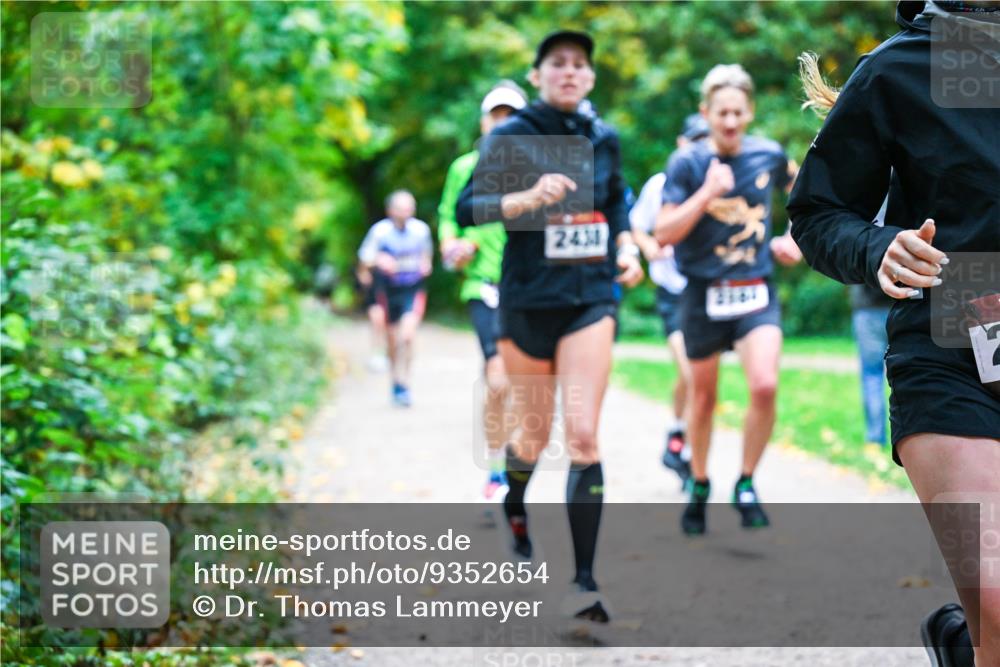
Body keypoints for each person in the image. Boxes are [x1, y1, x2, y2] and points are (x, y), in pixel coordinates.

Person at [788, 3, 999, 662]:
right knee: (995, 588)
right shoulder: (897, 71)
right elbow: (819, 211)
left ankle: (964, 644)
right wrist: (878, 246)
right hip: (949, 355)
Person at [456, 30, 644, 623]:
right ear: (538, 74)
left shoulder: (602, 136)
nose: (569, 72)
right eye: (557, 63)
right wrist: (526, 196)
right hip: (528, 301)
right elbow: (470, 208)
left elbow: (617, 204)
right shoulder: (511, 136)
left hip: (590, 297)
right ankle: (516, 505)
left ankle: (585, 582)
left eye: (580, 64)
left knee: (584, 436)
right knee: (533, 438)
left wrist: (627, 246)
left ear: (590, 77)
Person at [654, 64, 802, 536]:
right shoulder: (687, 164)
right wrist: (707, 193)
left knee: (764, 385)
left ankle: (745, 482)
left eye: (739, 112)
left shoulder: (770, 155)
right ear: (707, 113)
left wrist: (794, 238)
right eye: (722, 113)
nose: (732, 122)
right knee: (703, 400)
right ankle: (699, 483)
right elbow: (663, 233)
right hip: (703, 295)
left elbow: (810, 199)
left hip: (756, 291)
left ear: (750, 112)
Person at [437, 80, 529, 505]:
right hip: (483, 285)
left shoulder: (538, 168)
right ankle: (497, 471)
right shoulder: (465, 167)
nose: (503, 123)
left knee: (516, 382)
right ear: (484, 121)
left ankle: (511, 456)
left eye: (512, 115)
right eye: (497, 115)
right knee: (497, 380)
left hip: (527, 287)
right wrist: (453, 247)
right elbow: (447, 221)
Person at [630, 113, 710, 486]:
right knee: (692, 373)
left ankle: (676, 434)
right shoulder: (660, 184)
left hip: (707, 292)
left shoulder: (722, 184)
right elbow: (637, 225)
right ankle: (693, 460)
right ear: (681, 143)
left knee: (698, 379)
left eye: (705, 140)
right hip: (673, 294)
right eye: (694, 140)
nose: (700, 147)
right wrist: (649, 248)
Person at [357, 190, 433, 407]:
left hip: (413, 288)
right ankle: (395, 382)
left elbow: (427, 255)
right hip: (389, 291)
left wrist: (425, 264)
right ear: (390, 210)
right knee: (392, 340)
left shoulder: (421, 230)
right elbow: (364, 261)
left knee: (407, 336)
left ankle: (405, 382)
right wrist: (379, 261)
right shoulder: (380, 232)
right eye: (401, 208)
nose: (406, 212)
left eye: (410, 207)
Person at [355, 262, 389, 373]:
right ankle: (377, 355)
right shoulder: (371, 247)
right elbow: (362, 267)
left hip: (391, 291)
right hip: (375, 292)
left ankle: (386, 354)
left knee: (388, 326)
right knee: (376, 322)